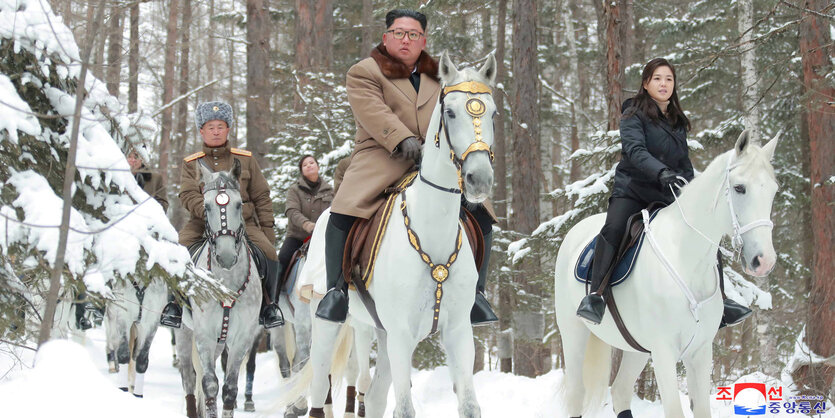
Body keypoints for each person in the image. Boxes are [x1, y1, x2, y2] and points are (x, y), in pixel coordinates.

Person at [315, 9, 498, 326]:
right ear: (386, 37)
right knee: (343, 211)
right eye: (399, 33)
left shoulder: (441, 75)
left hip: (435, 159)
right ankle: (336, 292)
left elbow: (455, 113)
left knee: (483, 214)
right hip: (381, 156)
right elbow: (372, 112)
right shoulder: (364, 72)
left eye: (413, 34)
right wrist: (401, 138)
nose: (406, 39)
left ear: (423, 41)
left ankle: (476, 296)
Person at [575, 58, 753, 328]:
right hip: (633, 190)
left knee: (705, 230)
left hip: (669, 193)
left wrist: (692, 188)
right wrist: (660, 172)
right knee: (612, 228)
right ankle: (596, 296)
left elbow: (683, 163)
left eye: (669, 79)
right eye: (657, 78)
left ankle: (722, 300)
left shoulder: (677, 121)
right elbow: (635, 151)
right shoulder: (632, 112)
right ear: (646, 84)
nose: (663, 84)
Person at [159, 101, 284, 329]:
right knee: (178, 252)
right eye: (210, 127)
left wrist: (267, 230)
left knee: (269, 253)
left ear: (228, 129)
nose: (216, 131)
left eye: (220, 126)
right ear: (201, 131)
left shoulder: (245, 159)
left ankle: (269, 306)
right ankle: (174, 305)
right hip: (202, 222)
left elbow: (261, 195)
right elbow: (187, 194)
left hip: (243, 223)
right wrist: (210, 212)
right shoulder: (192, 163)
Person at [76, 146, 169, 330]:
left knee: (170, 257)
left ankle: (171, 307)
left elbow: (163, 204)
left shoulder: (155, 179)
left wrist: (148, 214)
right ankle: (96, 306)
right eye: (129, 156)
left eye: (136, 157)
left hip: (146, 231)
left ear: (143, 160)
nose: (132, 161)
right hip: (117, 230)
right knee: (100, 259)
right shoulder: (112, 175)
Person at [276, 154, 334, 285]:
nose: (309, 166)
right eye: (305, 165)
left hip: (322, 237)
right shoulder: (294, 190)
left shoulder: (330, 191)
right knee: (282, 260)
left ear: (318, 166)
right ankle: (273, 299)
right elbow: (292, 211)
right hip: (297, 237)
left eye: (311, 163)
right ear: (302, 170)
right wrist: (306, 224)